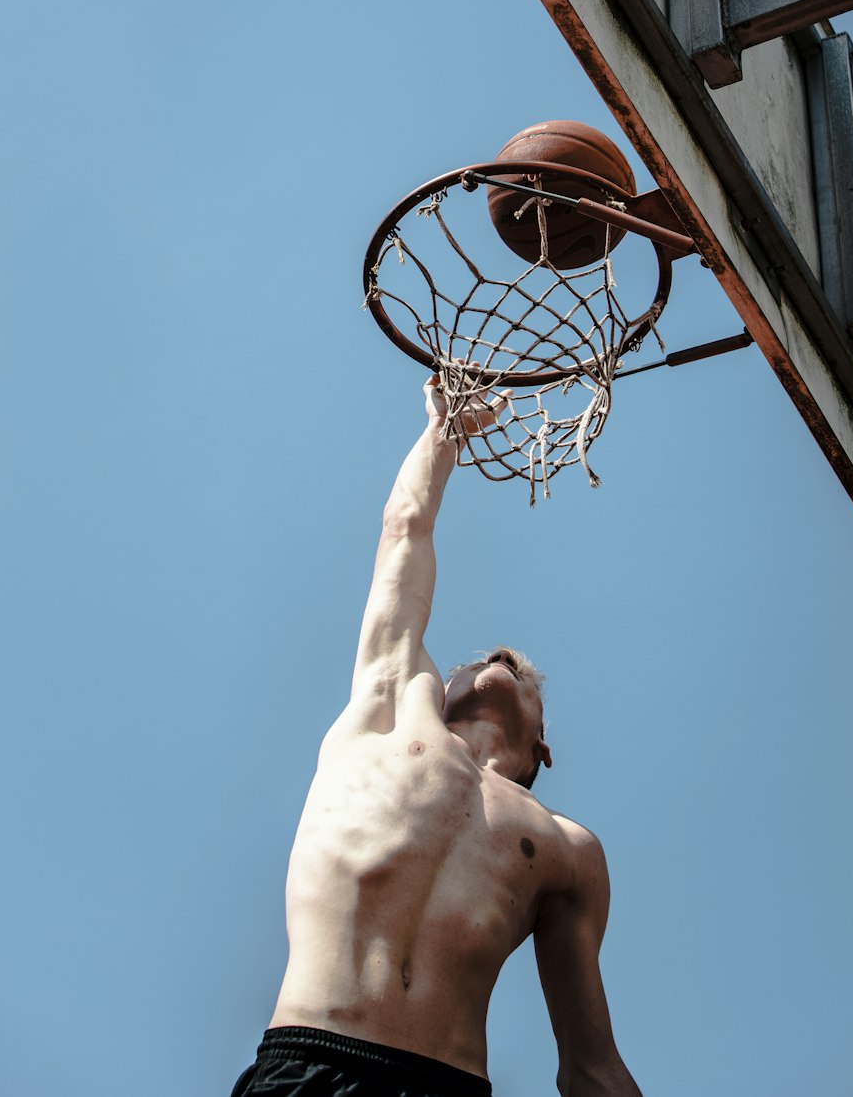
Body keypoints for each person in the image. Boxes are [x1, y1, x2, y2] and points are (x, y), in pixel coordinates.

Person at [231, 379, 641, 1097]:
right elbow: (404, 529)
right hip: (305, 1062)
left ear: (543, 742)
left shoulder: (567, 849)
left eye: (523, 669)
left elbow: (590, 1065)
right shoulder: (392, 700)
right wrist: (445, 431)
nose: (496, 657)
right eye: (474, 658)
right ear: (443, 683)